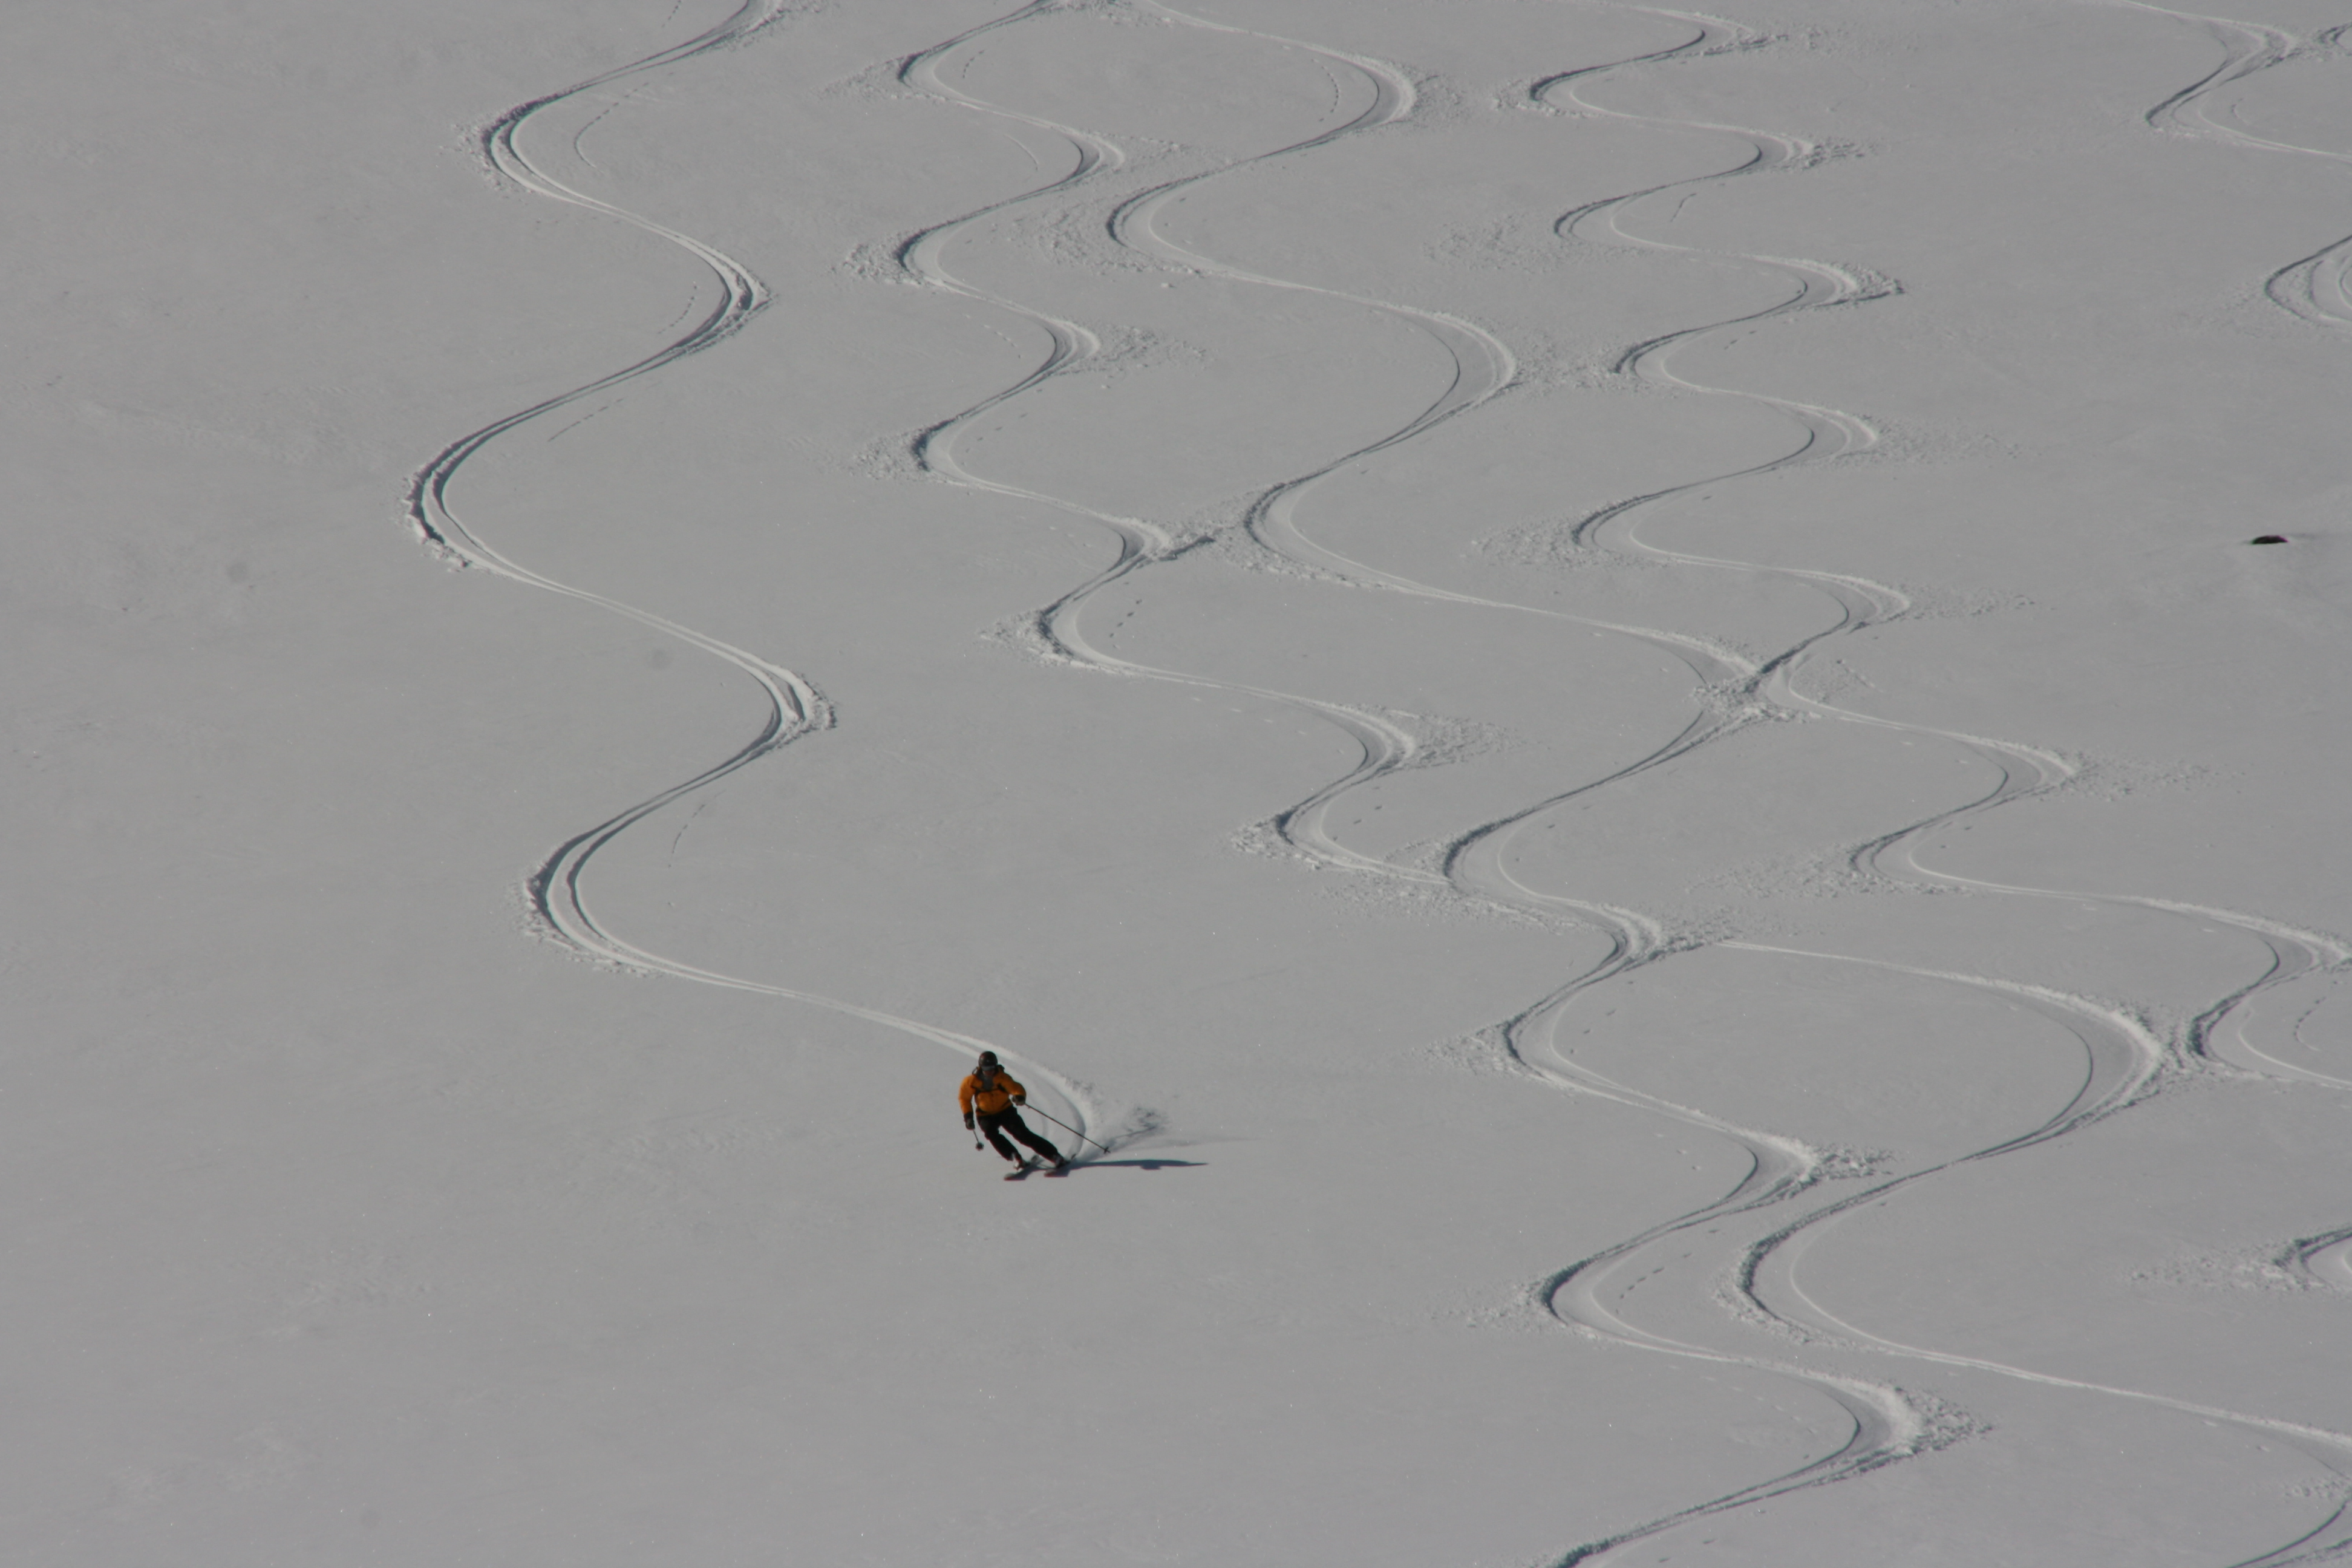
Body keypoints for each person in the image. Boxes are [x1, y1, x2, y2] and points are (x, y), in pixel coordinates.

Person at [959, 1051, 1066, 1171]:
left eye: (991, 1067)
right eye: (985, 1068)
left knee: (1022, 1135)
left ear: (995, 1066)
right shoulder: (970, 1082)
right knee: (992, 1134)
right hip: (985, 1115)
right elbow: (964, 1098)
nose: (989, 1071)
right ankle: (1014, 1157)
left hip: (1006, 1111)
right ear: (980, 1067)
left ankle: (1054, 1156)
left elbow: (1016, 1088)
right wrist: (968, 1117)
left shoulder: (1002, 1078)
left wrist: (1019, 1097)